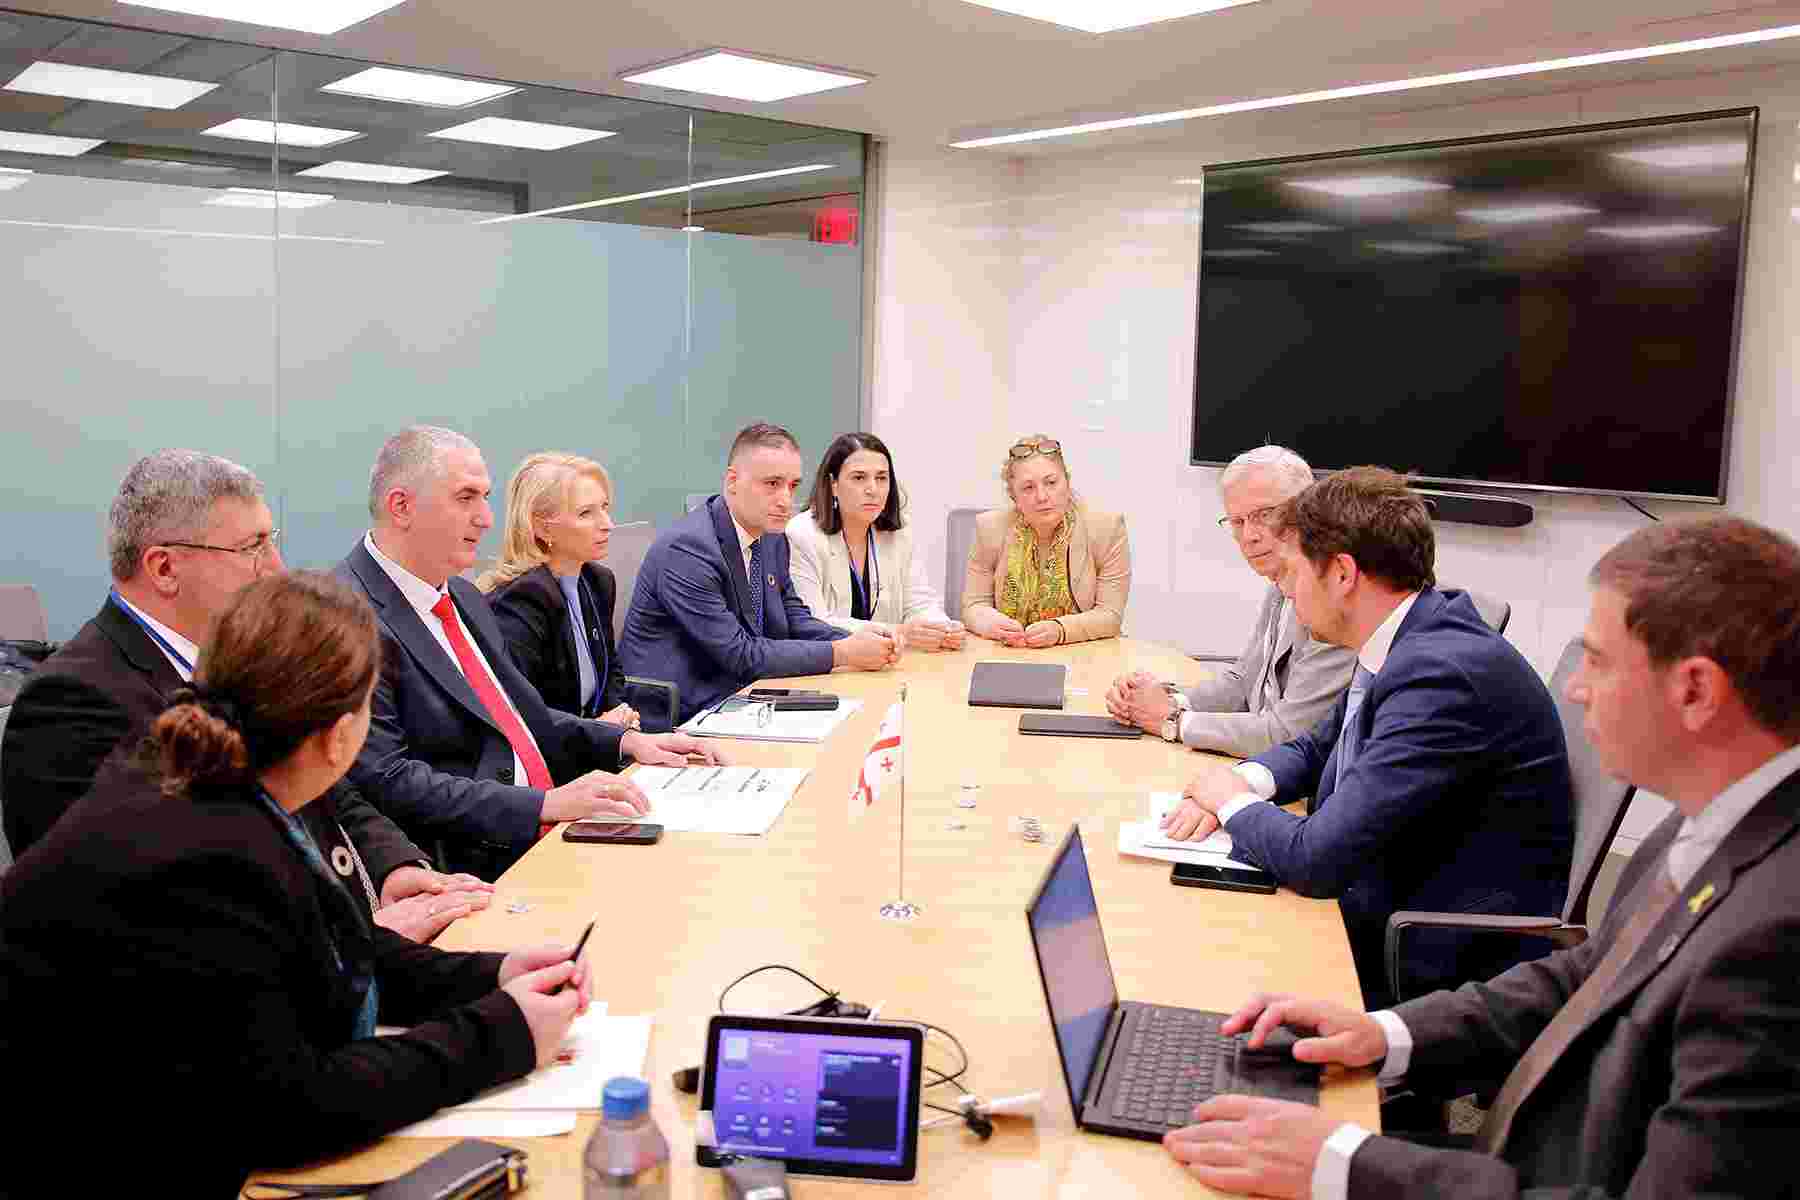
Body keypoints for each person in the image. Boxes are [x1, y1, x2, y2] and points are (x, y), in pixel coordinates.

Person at [1162, 516, 1800, 1200]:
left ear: (1696, 691)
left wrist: (1347, 1166)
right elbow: (1586, 974)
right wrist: (1384, 1035)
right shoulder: (1712, 820)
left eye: (1598, 661)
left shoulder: (1774, 936)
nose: (1576, 688)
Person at [0, 572, 593, 1198]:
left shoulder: (226, 777)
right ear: (339, 738)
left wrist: (491, 976)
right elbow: (292, 1109)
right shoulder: (204, 849)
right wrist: (502, 1036)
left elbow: (335, 945)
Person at [0, 449, 486, 943]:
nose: (275, 567)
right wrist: (357, 940)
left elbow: (321, 785)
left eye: (270, 541)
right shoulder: (71, 704)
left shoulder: (240, 656)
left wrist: (392, 866)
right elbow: (125, 924)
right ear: (164, 568)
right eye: (252, 546)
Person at [1163, 467, 1572, 1007]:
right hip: (1383, 890)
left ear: (1342, 573)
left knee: (1196, 973)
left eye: (1294, 572)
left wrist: (1230, 803)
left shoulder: (1441, 677)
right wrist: (1242, 779)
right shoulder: (1405, 634)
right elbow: (1317, 746)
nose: (1286, 589)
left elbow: (1316, 860)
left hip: (1428, 959)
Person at [338, 426, 719, 880]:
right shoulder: (344, 616)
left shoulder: (462, 596)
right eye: (465, 498)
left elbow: (525, 716)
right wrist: (542, 805)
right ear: (401, 507)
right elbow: (386, 778)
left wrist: (627, 742)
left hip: (545, 823)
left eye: (485, 498)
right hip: (470, 859)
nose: (486, 518)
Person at [619, 422, 898, 723]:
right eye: (772, 484)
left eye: (792, 486)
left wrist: (861, 639)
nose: (785, 500)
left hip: (742, 695)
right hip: (679, 713)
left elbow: (795, 620)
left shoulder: (772, 538)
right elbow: (740, 654)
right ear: (732, 481)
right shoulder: (687, 550)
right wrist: (843, 652)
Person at [1105, 446, 1353, 756]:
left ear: (1308, 510)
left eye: (1264, 515)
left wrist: (1172, 720)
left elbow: (1287, 733)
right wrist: (1162, 700)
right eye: (1237, 521)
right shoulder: (1279, 581)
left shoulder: (1332, 598)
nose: (1249, 536)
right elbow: (1243, 682)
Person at [479, 452, 638, 728]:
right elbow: (525, 714)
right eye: (586, 513)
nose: (607, 524)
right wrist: (602, 732)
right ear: (543, 528)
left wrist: (622, 717)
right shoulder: (519, 600)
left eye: (605, 507)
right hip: (555, 750)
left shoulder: (598, 581)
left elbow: (610, 671)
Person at [786, 432, 966, 650]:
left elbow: (920, 601)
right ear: (833, 485)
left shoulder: (899, 532)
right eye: (859, 478)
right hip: (830, 663)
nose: (873, 489)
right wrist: (900, 631)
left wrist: (942, 628)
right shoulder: (802, 534)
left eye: (881, 478)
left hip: (887, 661)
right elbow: (813, 623)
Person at [962, 434, 1130, 647]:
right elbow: (974, 605)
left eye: (1051, 483)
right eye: (1028, 488)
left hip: (1084, 652)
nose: (1042, 496)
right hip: (1011, 651)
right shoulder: (989, 528)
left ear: (1067, 483)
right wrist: (993, 624)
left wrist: (1060, 630)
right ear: (1014, 497)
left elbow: (1110, 615)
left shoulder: (1107, 529)